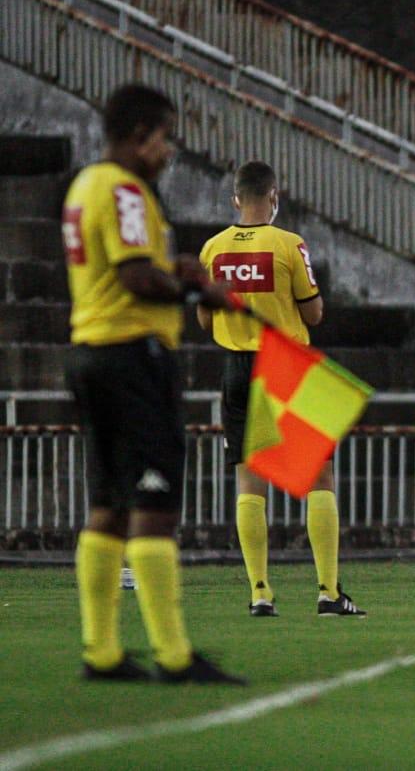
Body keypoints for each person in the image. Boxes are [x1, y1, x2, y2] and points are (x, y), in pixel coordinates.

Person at [64, 83, 243, 683]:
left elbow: (130, 269)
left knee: (108, 505)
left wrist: (176, 270)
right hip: (133, 356)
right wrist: (200, 289)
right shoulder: (125, 188)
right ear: (141, 136)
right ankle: (172, 655)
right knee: (154, 503)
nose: (169, 151)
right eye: (165, 138)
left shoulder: (86, 185)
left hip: (93, 350)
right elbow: (137, 278)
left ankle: (103, 651)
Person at [196, 161, 365, 617]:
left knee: (249, 478)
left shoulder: (213, 249)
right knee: (318, 476)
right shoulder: (289, 244)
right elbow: (313, 315)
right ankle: (329, 591)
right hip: (285, 364)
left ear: (236, 198)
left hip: (236, 366)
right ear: (274, 196)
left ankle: (260, 592)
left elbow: (203, 317)